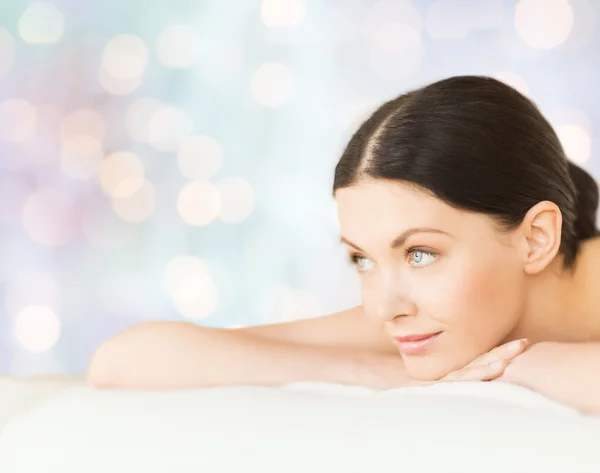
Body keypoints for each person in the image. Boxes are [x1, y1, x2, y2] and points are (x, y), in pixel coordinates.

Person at [87, 76, 600, 414]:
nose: (382, 307)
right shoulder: (429, 322)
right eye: (362, 259)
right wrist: (369, 372)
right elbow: (123, 360)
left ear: (536, 238)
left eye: (420, 253)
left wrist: (523, 366)